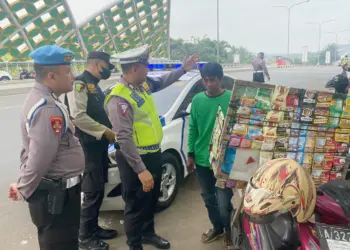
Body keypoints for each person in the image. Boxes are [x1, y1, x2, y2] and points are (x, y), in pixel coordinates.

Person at [104, 44, 198, 250]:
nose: (148, 71)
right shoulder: (119, 97)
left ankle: (148, 233)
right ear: (135, 68)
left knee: (151, 198)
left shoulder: (141, 86)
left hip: (153, 153)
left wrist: (183, 69)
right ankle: (134, 244)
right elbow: (124, 138)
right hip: (134, 159)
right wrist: (141, 169)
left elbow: (163, 81)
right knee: (135, 204)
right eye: (145, 66)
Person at [8, 45, 85, 249]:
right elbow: (39, 155)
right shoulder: (47, 107)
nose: (73, 76)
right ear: (51, 76)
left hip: (58, 193)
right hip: (57, 197)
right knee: (60, 244)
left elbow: (30, 148)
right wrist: (24, 187)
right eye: (68, 71)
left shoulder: (46, 99)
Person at [65, 51, 118, 250]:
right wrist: (105, 131)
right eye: (106, 66)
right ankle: (85, 237)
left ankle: (93, 228)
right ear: (96, 64)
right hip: (88, 147)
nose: (108, 71)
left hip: (99, 146)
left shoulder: (94, 85)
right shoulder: (79, 83)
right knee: (92, 192)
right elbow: (78, 116)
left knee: (98, 188)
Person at [187, 62, 234, 248]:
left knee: (223, 200)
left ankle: (228, 228)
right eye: (205, 81)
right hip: (202, 159)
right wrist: (190, 154)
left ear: (220, 79)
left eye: (212, 80)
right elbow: (193, 128)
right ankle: (217, 228)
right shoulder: (197, 100)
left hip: (225, 160)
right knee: (208, 198)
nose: (209, 84)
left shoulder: (231, 98)